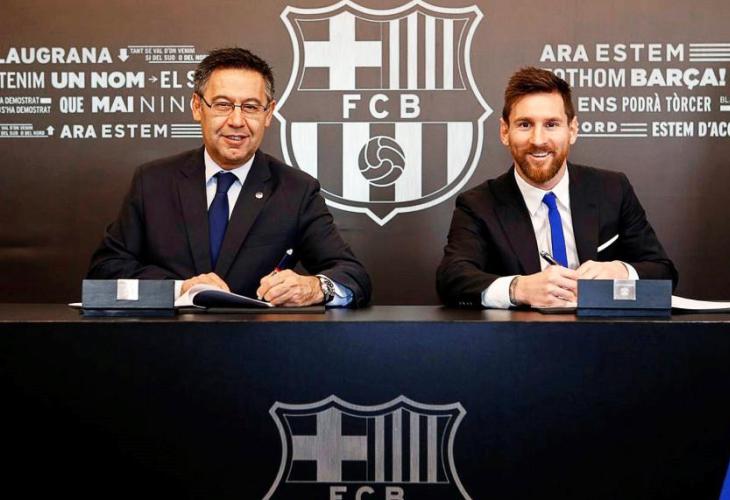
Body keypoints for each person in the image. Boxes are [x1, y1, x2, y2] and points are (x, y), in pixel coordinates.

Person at [88, 48, 371, 307]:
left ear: (269, 114)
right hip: (167, 341)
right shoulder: (152, 182)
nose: (236, 121)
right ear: (197, 107)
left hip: (257, 343)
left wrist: (315, 287)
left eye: (251, 107)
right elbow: (105, 271)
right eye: (223, 105)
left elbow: (352, 275)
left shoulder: (296, 190)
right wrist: (180, 288)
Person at [437, 67, 677, 308]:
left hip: (603, 331)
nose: (538, 140)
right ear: (504, 131)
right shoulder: (478, 204)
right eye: (524, 124)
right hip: (520, 332)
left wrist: (621, 271)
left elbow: (663, 272)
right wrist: (518, 288)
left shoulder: (613, 189)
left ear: (572, 130)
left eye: (551, 124)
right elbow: (452, 279)